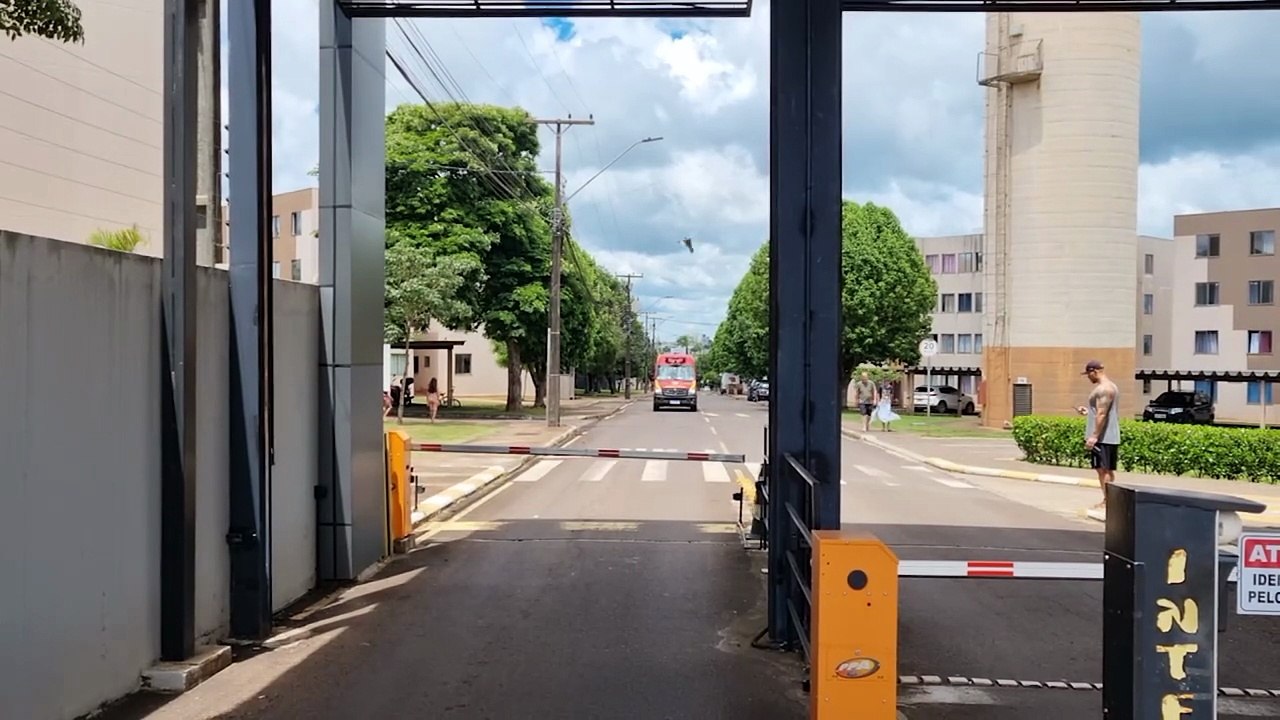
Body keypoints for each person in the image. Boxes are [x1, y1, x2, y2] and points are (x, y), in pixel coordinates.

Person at [1076, 359, 1120, 513]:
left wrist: (1094, 436)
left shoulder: (1105, 389)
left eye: (1088, 374)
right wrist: (1088, 412)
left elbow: (1102, 413)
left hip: (1104, 437)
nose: (1088, 377)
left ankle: (1109, 502)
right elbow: (1098, 412)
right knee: (1102, 469)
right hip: (1103, 437)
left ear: (1094, 371)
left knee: (1104, 469)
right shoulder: (1105, 388)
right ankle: (1108, 500)